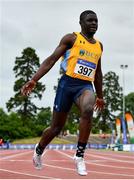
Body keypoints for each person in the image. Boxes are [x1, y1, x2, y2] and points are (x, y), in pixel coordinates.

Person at [21, 10, 105, 176]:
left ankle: (79, 156)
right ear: (81, 23)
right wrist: (34, 79)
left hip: (85, 86)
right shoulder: (71, 39)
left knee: (88, 110)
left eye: (96, 21)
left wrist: (100, 96)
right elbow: (51, 59)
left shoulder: (99, 46)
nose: (94, 23)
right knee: (56, 128)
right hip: (67, 85)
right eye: (90, 21)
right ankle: (39, 150)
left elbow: (98, 72)